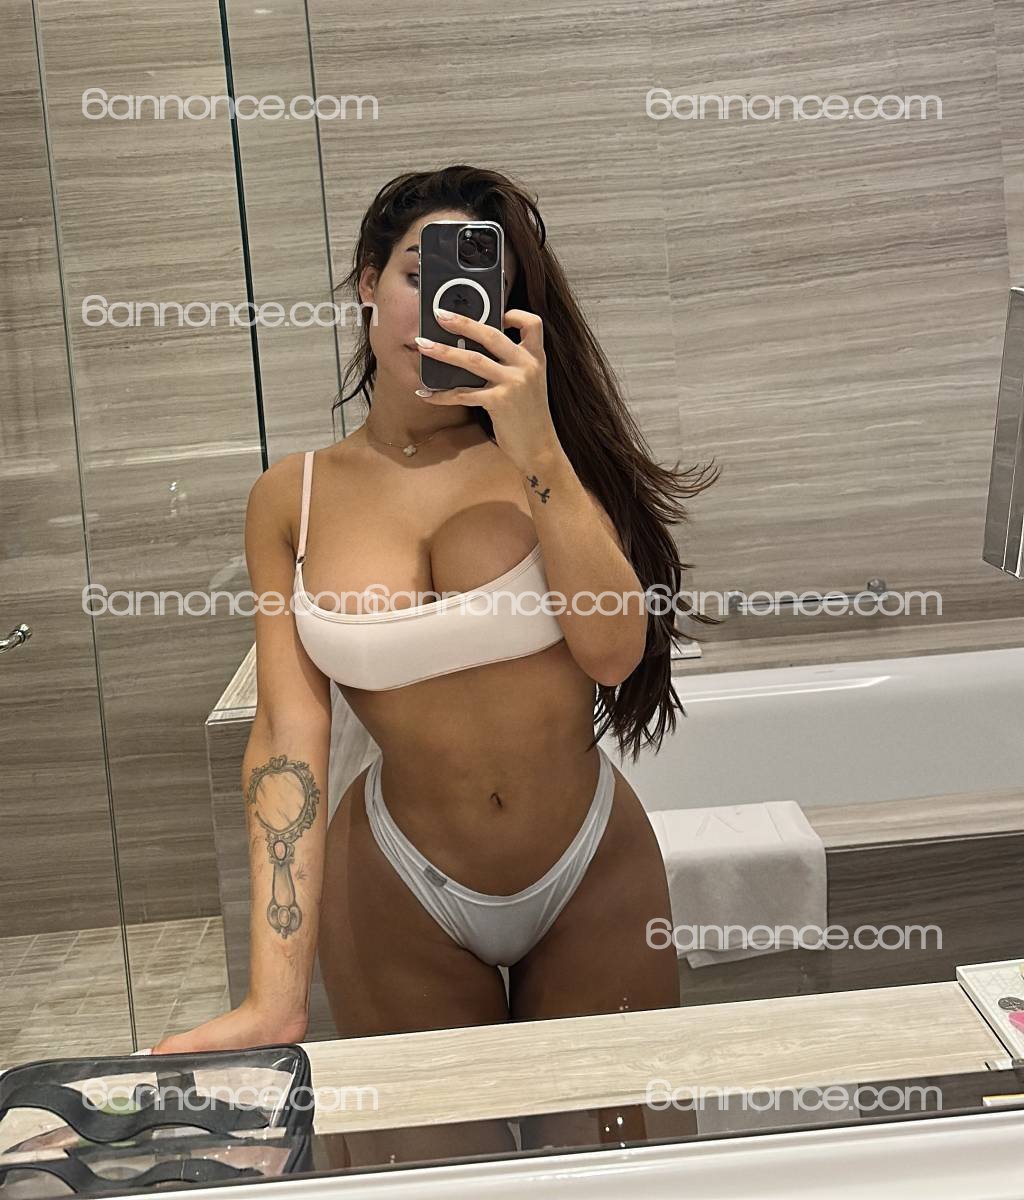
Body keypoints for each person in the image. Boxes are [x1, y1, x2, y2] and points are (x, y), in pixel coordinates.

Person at [154, 170, 720, 1152]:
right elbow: (288, 733)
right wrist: (274, 997)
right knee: (429, 1167)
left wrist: (538, 447)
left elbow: (612, 651)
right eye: (419, 274)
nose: (443, 308)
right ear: (367, 282)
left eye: (473, 285)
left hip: (590, 867)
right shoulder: (291, 498)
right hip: (397, 886)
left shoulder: (545, 461)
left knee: (623, 1164)